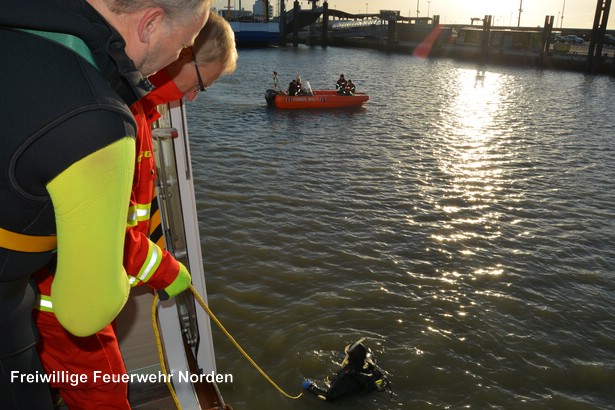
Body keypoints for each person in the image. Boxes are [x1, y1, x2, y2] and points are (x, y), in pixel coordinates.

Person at [0, 0, 210, 407]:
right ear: (150, 23)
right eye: (184, 45)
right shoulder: (98, 120)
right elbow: (85, 313)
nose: (179, 56)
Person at [302, 338, 391, 401]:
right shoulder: (370, 363)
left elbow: (329, 396)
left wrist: (310, 387)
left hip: (356, 392)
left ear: (351, 358)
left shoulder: (348, 378)